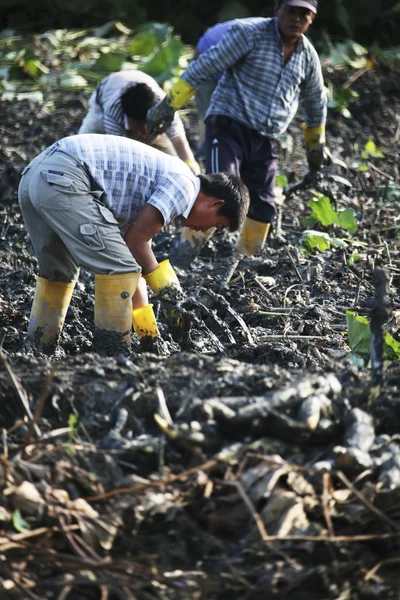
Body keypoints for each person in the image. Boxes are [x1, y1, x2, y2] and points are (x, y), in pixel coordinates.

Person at [18, 134, 249, 352]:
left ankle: (40, 347)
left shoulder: (166, 184)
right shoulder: (185, 186)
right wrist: (169, 295)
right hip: (64, 176)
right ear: (215, 204)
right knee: (119, 269)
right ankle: (111, 354)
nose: (203, 230)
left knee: (60, 272)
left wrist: (148, 334)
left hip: (36, 176)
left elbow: (133, 259)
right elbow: (137, 242)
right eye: (216, 225)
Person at [147, 0, 327, 265]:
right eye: (291, 11)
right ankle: (181, 260)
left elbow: (315, 103)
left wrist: (316, 149)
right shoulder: (249, 33)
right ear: (277, 8)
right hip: (229, 124)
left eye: (305, 14)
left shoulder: (308, 57)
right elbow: (207, 65)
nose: (296, 19)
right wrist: (169, 105)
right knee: (221, 193)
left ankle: (242, 266)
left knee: (264, 206)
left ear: (312, 19)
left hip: (265, 137)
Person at [79, 70, 200, 175]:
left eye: (147, 123)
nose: (145, 130)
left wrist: (192, 168)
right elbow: (121, 156)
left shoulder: (165, 107)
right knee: (81, 148)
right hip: (103, 100)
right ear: (129, 118)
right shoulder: (113, 112)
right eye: (140, 125)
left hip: (141, 83)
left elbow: (179, 140)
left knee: (174, 161)